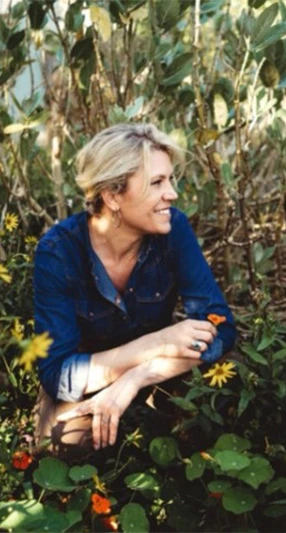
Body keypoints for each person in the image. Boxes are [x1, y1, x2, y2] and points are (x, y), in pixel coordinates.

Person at [32, 123, 236, 458]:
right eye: (157, 182)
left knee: (229, 387)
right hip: (93, 379)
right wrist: (157, 342)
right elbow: (58, 375)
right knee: (59, 440)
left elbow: (221, 326)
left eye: (170, 180)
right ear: (112, 196)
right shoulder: (58, 252)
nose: (172, 193)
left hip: (159, 369)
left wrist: (137, 376)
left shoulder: (173, 228)